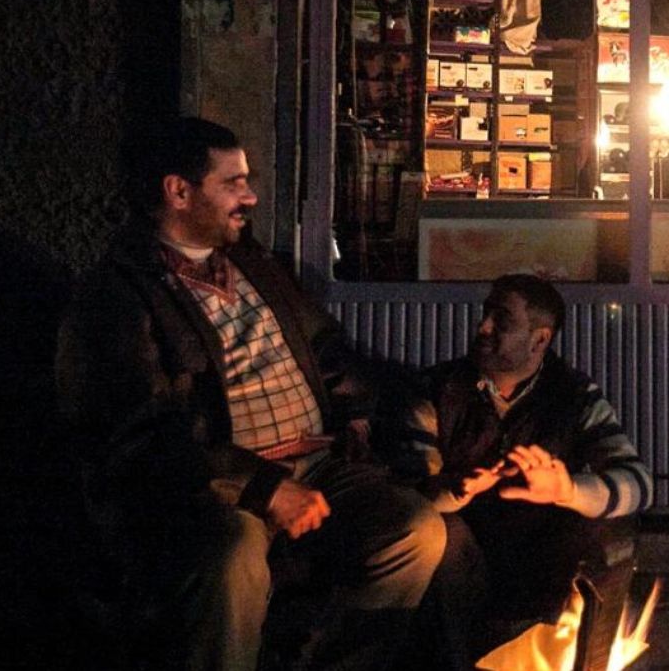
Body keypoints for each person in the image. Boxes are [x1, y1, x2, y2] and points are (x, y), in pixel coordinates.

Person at [55, 117, 445, 671]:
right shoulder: (117, 299)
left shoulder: (252, 264)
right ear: (178, 191)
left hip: (314, 462)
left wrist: (364, 410)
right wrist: (263, 487)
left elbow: (327, 350)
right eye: (233, 183)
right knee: (231, 554)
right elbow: (138, 435)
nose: (251, 197)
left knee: (414, 529)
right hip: (218, 485)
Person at [377, 274, 653, 664]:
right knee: (440, 532)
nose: (483, 327)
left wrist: (568, 490)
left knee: (614, 528)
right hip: (464, 558)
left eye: (501, 321)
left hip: (542, 552)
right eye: (485, 314)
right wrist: (457, 488)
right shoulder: (437, 389)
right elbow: (408, 491)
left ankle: (589, 662)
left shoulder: (572, 395)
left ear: (539, 340)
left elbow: (639, 483)